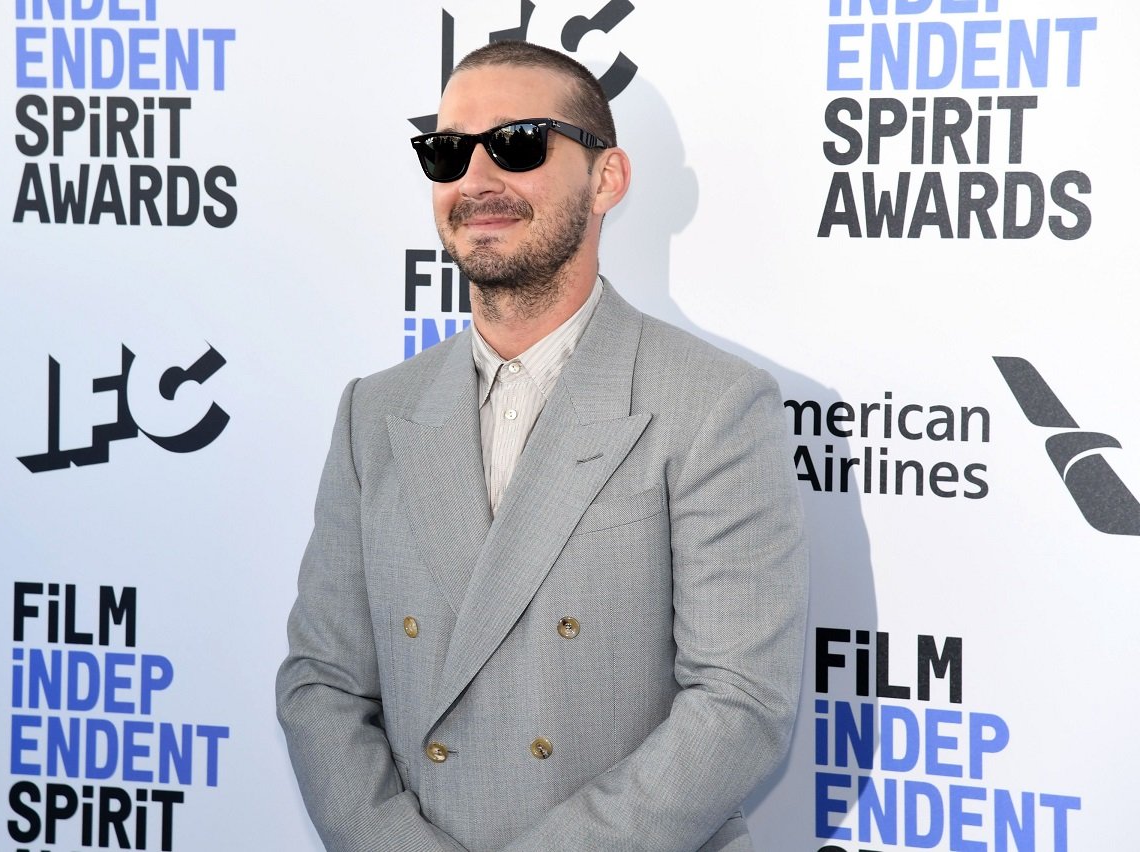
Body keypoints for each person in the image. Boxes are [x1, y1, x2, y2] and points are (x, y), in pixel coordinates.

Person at [276, 40, 808, 852]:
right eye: (448, 152)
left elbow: (739, 703)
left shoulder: (713, 404)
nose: (477, 180)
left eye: (518, 144)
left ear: (607, 179)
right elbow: (323, 684)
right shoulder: (372, 413)